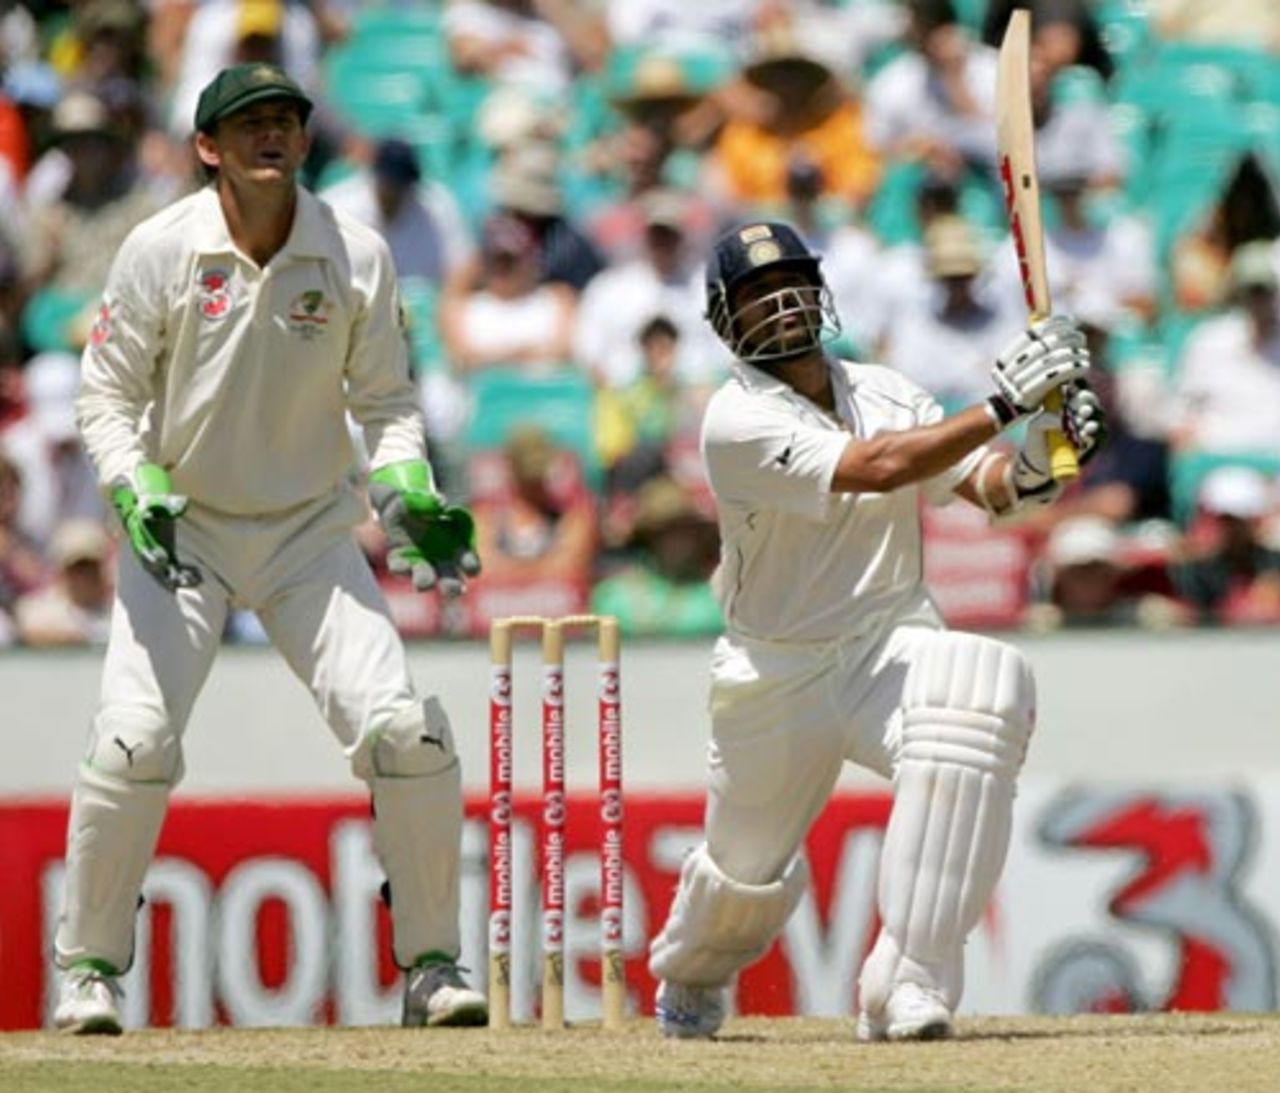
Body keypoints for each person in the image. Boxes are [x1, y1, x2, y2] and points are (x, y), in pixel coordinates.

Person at [53, 63, 487, 1035]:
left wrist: (408, 491)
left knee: (406, 735)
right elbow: (105, 397)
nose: (272, 135)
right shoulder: (160, 249)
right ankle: (87, 971)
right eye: (249, 123)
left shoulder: (355, 253)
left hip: (305, 532)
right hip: (185, 530)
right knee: (134, 743)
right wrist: (133, 484)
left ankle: (430, 965)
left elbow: (384, 406)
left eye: (286, 120)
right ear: (208, 146)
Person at [646, 221, 1103, 1040]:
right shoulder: (735, 420)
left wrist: (1055, 453)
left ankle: (909, 982)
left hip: (888, 644)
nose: (779, 303)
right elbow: (879, 467)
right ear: (724, 318)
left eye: (790, 282)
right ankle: (692, 970)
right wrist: (1004, 402)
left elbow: (995, 491)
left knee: (979, 691)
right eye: (755, 292)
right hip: (774, 671)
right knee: (742, 872)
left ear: (821, 292)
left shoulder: (889, 390)